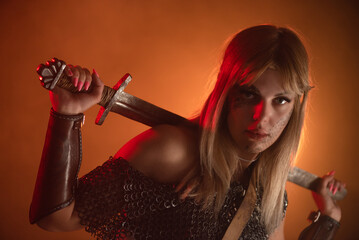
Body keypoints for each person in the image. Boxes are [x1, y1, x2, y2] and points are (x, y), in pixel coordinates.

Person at [30, 25, 345, 239]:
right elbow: (56, 218)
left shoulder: (270, 190)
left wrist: (327, 219)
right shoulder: (173, 151)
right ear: (226, 93)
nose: (262, 117)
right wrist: (65, 115)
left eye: (281, 100)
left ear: (295, 107)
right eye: (249, 93)